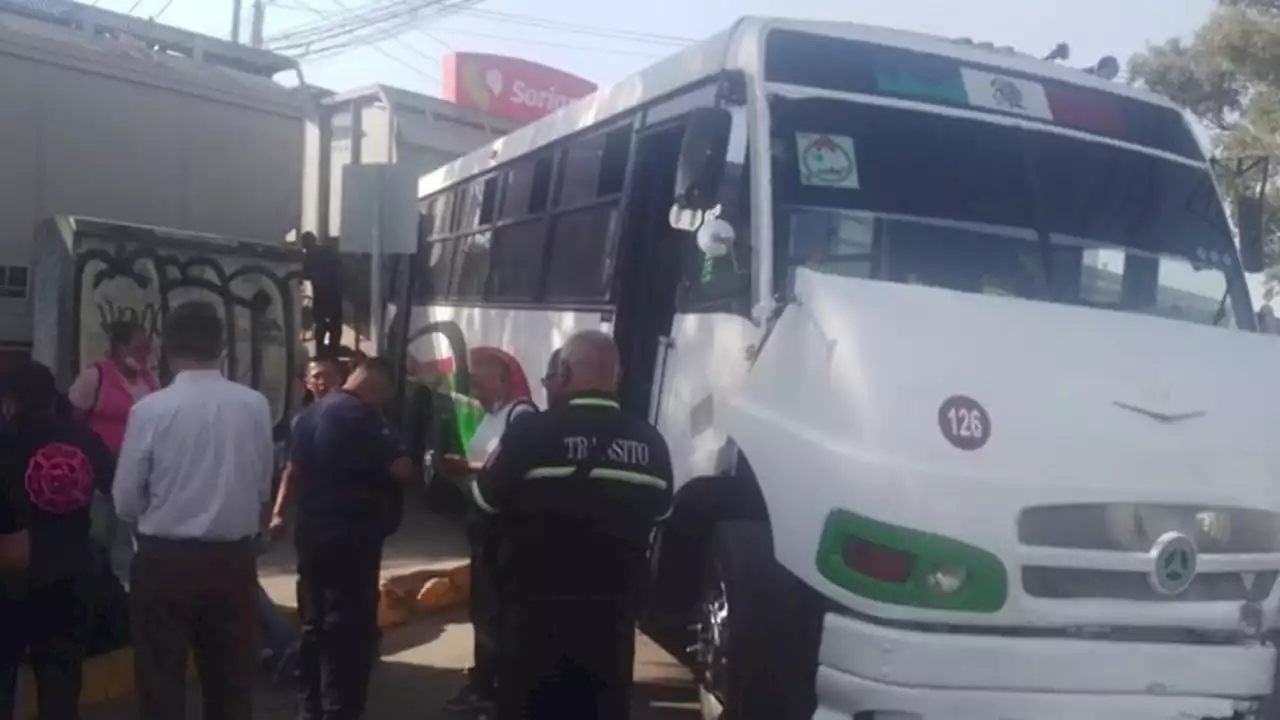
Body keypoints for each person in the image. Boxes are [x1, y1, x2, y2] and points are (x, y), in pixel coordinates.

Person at [473, 331, 674, 720]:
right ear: (617, 378)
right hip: (610, 627)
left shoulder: (529, 434)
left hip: (533, 620)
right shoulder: (651, 444)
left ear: (563, 371)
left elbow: (483, 507)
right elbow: (660, 516)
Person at [113, 301, 274, 720]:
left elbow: (126, 499)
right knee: (231, 682)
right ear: (221, 346)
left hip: (164, 560)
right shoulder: (254, 405)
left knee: (160, 679)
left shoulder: (149, 411)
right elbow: (261, 484)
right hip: (233, 559)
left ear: (167, 349)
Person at [290, 357, 412, 720]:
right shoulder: (364, 416)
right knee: (348, 631)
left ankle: (308, 707)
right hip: (352, 539)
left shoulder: (308, 416)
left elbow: (293, 471)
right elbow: (401, 470)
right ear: (378, 390)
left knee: (312, 624)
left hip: (310, 534)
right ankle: (339, 710)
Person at [0, 361, 115, 720]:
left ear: (8, 400)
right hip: (71, 575)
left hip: (10, 577)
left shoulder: (5, 441)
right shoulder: (82, 439)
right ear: (53, 396)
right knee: (61, 684)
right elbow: (119, 490)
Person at [443, 348, 540, 714]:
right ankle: (486, 678)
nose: (475, 387)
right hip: (484, 522)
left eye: (480, 379)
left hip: (505, 527)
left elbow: (511, 465)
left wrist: (466, 466)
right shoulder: (493, 416)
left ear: (503, 379)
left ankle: (494, 685)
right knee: (484, 607)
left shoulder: (522, 415)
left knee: (496, 608)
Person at [67, 320, 158, 580]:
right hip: (100, 469)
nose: (144, 354)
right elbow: (74, 421)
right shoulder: (95, 376)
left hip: (137, 470)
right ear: (119, 347)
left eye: (147, 348)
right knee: (99, 532)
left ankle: (123, 591)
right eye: (138, 347)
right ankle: (94, 588)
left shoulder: (150, 381)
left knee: (128, 535)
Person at [301, 231, 344, 357]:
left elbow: (304, 274)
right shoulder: (327, 251)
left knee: (321, 324)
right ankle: (333, 352)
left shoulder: (309, 256)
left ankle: (321, 352)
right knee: (334, 325)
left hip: (321, 293)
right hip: (334, 292)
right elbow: (340, 266)